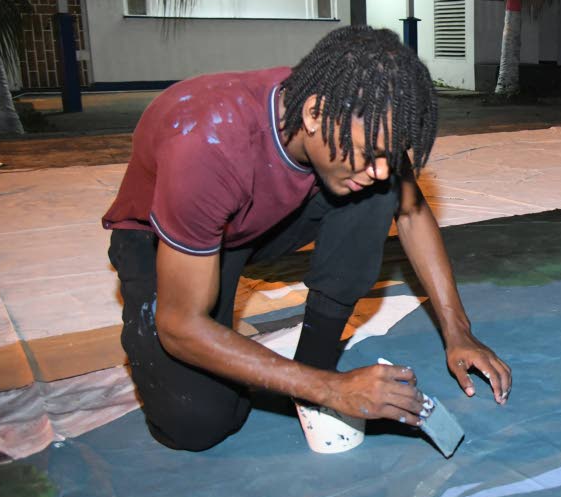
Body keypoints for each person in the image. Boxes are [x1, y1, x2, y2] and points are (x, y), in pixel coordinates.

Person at [103, 26, 511, 452]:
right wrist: (332, 390)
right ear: (314, 114)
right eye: (371, 154)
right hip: (164, 243)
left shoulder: (352, 120)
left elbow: (410, 212)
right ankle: (313, 381)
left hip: (257, 224)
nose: (382, 168)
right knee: (199, 423)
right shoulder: (207, 147)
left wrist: (457, 330)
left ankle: (312, 361)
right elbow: (180, 324)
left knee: (380, 188)